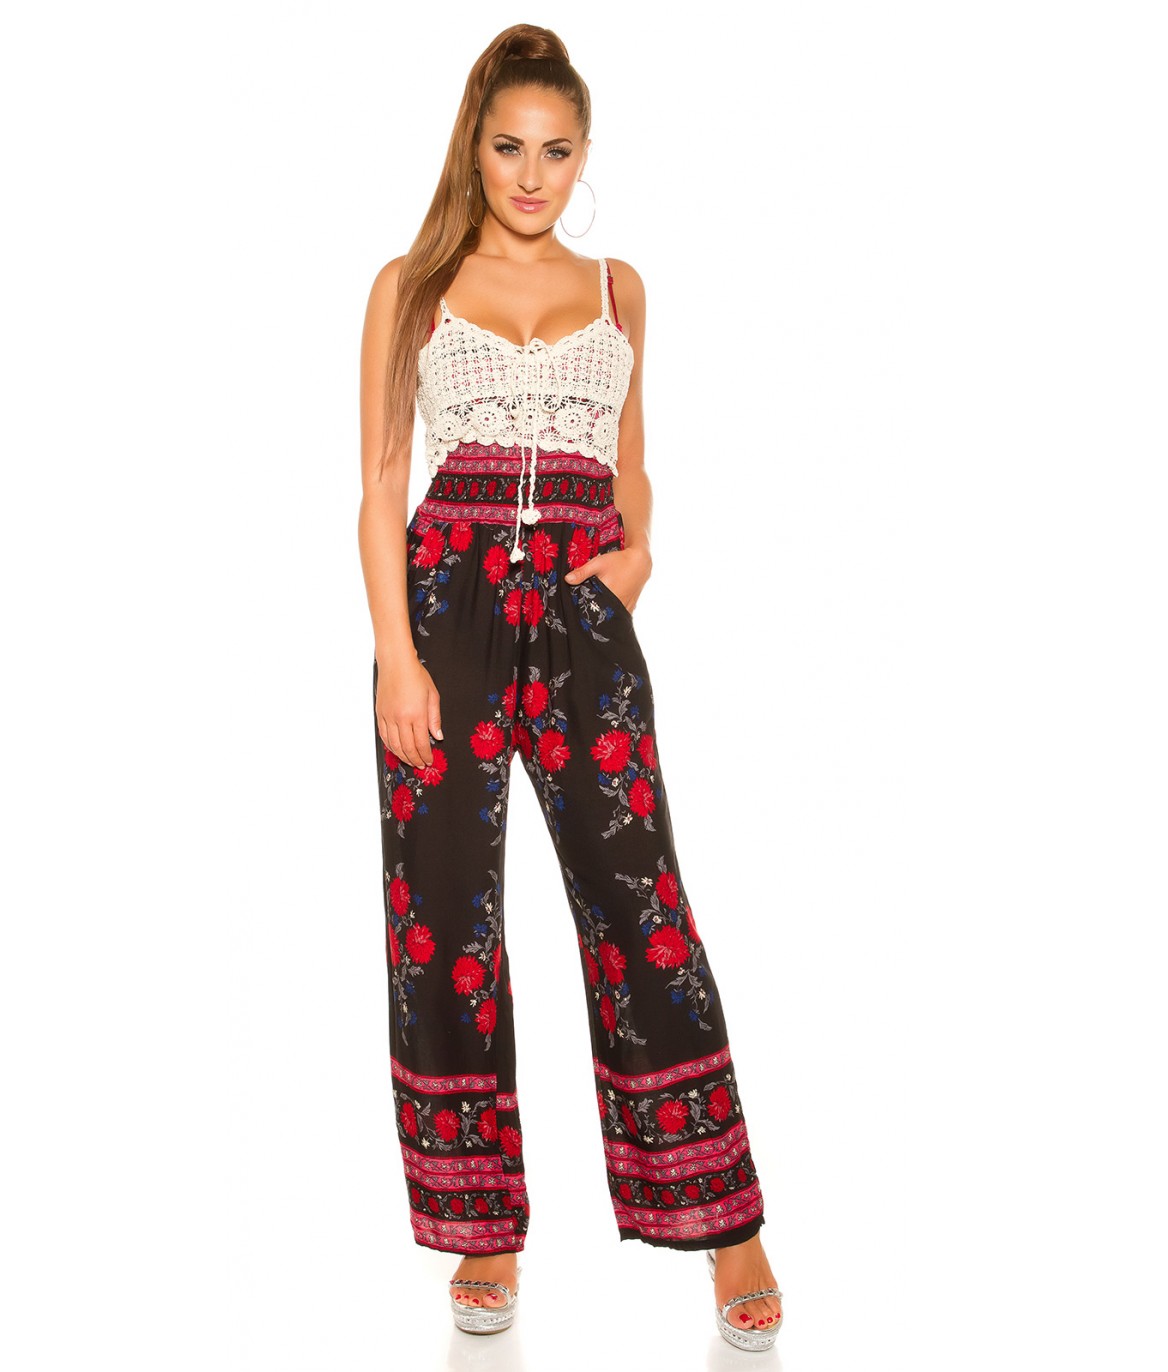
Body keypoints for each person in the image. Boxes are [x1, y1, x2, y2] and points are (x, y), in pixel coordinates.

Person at [358, 23, 784, 1351]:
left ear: (584, 152)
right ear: (475, 149)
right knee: (444, 917)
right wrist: (398, 656)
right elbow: (379, 483)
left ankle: (729, 1230)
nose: (531, 175)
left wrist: (637, 560)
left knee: (641, 907)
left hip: (583, 609)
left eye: (555, 150)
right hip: (446, 604)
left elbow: (632, 457)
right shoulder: (412, 286)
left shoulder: (619, 288)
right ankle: (480, 1233)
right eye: (509, 148)